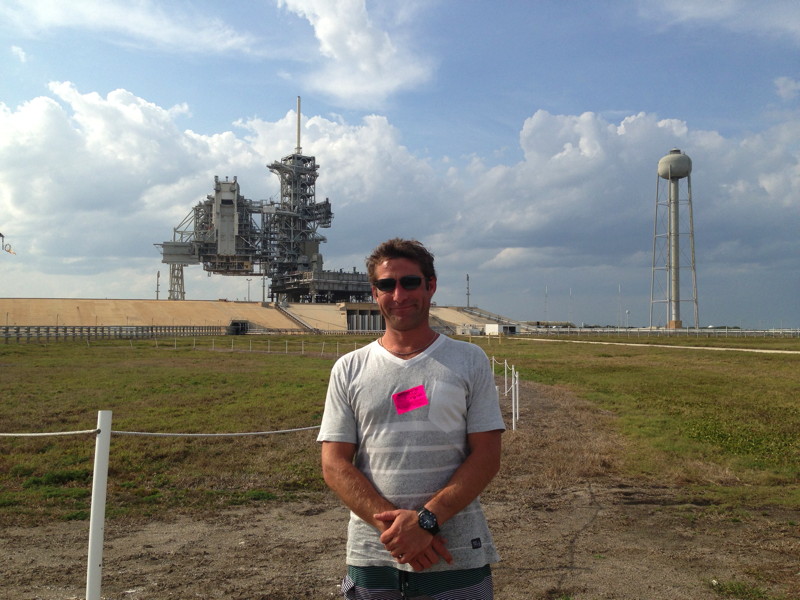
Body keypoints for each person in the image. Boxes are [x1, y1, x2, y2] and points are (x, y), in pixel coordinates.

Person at [318, 238, 505, 600]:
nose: (399, 294)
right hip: (375, 558)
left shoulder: (469, 361)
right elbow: (334, 463)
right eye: (387, 285)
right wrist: (400, 531)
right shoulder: (349, 368)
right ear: (375, 292)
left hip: (457, 559)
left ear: (430, 285)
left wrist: (427, 522)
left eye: (410, 282)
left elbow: (486, 457)